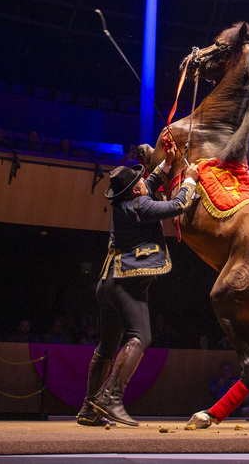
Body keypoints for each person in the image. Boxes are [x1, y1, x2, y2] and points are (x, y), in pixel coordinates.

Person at [77, 137, 199, 427]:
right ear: (135, 189)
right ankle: (111, 398)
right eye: (141, 181)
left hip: (107, 283)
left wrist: (168, 164)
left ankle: (89, 408)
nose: (146, 180)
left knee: (107, 348)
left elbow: (149, 183)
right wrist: (190, 180)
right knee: (140, 336)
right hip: (126, 282)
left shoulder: (127, 201)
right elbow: (178, 204)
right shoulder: (141, 205)